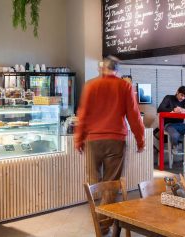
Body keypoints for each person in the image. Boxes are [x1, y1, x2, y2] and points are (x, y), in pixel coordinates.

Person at [75, 56, 145, 234]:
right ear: (117, 70)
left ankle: (101, 218)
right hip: (115, 141)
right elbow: (134, 116)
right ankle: (103, 222)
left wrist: (79, 138)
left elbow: (83, 114)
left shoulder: (91, 86)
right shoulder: (124, 86)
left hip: (93, 141)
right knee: (111, 185)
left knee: (93, 183)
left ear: (102, 69)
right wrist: (140, 140)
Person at [157, 86, 185, 154]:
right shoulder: (168, 98)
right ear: (177, 92)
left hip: (181, 124)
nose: (182, 98)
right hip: (169, 124)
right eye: (181, 95)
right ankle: (175, 147)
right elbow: (160, 109)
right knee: (175, 135)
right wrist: (173, 110)